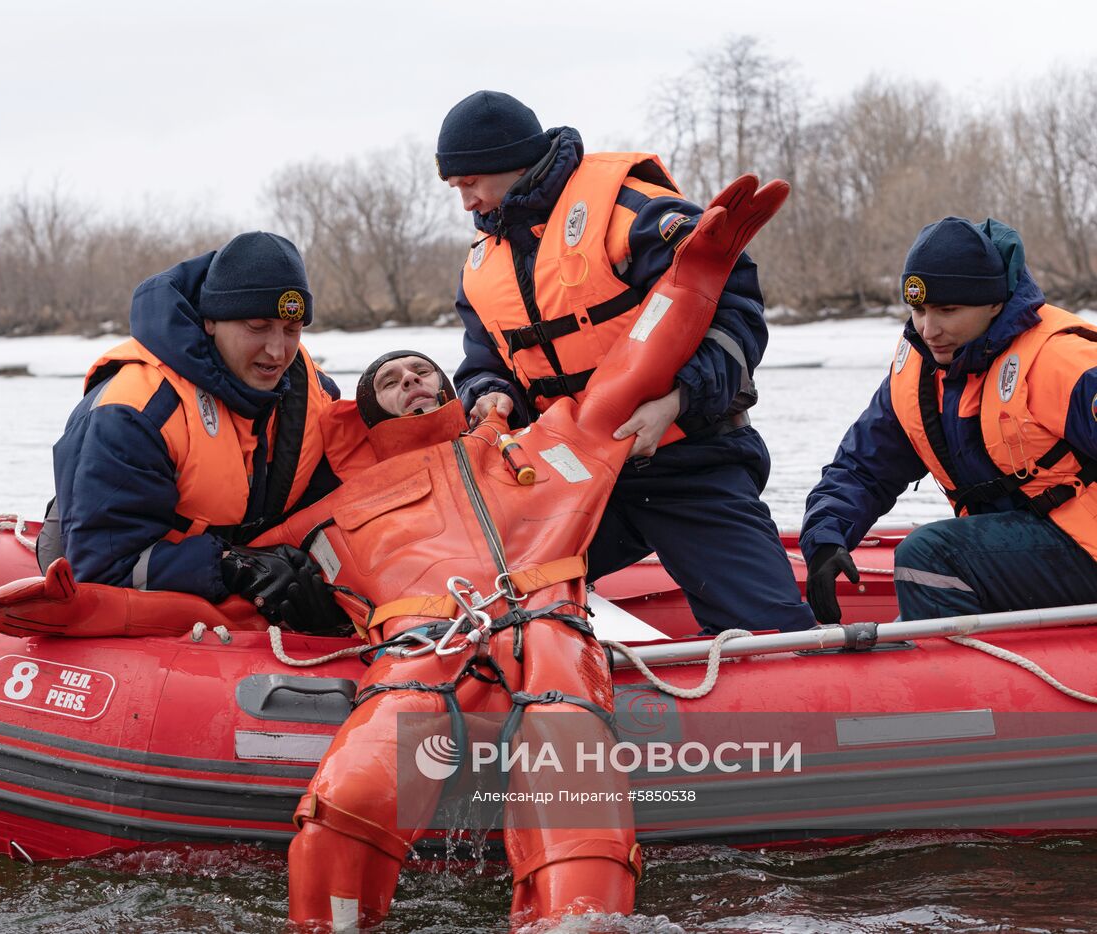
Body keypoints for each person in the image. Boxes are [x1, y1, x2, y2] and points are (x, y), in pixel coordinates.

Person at [253, 175, 790, 930]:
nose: (411, 382)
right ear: (367, 413)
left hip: (550, 635)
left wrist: (696, 275)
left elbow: (630, 369)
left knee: (582, 835)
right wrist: (93, 603)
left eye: (422, 373)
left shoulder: (528, 449)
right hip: (422, 649)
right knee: (346, 809)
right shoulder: (335, 505)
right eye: (391, 380)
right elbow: (215, 581)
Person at [435, 90, 815, 634]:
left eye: (470, 184)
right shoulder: (481, 265)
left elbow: (737, 314)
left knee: (772, 636)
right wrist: (488, 391)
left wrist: (677, 400)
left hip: (690, 463)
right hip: (571, 474)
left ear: (508, 163)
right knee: (477, 597)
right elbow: (481, 361)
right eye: (455, 188)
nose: (466, 202)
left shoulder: (634, 212)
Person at [801, 216, 1097, 622]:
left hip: (1086, 546)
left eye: (948, 310)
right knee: (931, 561)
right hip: (1029, 546)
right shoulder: (919, 375)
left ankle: (957, 674)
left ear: (995, 303)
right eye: (918, 310)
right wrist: (825, 538)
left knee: (929, 555)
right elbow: (863, 467)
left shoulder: (1058, 360)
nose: (929, 329)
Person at [45, 231, 345, 630]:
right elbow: (103, 567)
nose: (277, 351)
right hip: (108, 549)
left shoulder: (316, 396)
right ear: (211, 321)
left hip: (243, 548)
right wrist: (234, 567)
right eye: (258, 326)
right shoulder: (133, 411)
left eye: (292, 330)